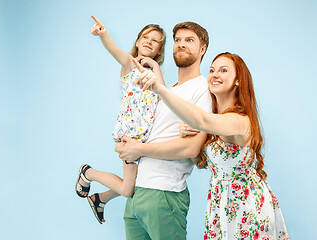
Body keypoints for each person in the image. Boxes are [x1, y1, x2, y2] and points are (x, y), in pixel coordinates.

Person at [134, 52, 290, 239]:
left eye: (224, 70)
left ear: (238, 80)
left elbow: (201, 119)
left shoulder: (240, 120)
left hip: (246, 206)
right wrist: (185, 138)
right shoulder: (217, 121)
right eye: (212, 70)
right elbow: (199, 161)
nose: (215, 74)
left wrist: (160, 89)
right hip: (221, 204)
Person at [115, 22, 213, 240]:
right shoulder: (165, 90)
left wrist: (140, 149)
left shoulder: (203, 89)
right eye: (178, 40)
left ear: (203, 48)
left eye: (189, 40)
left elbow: (191, 148)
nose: (181, 44)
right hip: (137, 193)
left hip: (165, 193)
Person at [74, 16, 166, 224]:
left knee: (137, 184)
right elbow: (114, 50)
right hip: (130, 136)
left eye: (155, 40)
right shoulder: (129, 63)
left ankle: (100, 199)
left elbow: (164, 95)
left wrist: (156, 67)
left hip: (147, 141)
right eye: (145, 37)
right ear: (137, 42)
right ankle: (88, 173)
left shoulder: (155, 75)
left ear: (159, 51)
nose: (149, 41)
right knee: (128, 189)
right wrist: (103, 34)